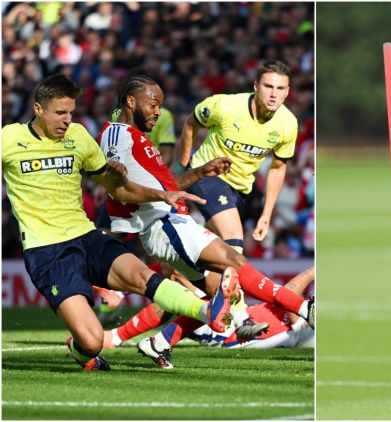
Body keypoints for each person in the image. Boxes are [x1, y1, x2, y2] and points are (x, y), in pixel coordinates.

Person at [1, 74, 239, 371]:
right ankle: (80, 351)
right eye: (60, 113)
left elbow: (119, 189)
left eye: (71, 113)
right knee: (92, 341)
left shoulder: (78, 136)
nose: (67, 120)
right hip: (48, 251)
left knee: (141, 275)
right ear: (38, 109)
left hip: (86, 236)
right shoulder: (9, 139)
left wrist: (157, 192)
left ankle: (208, 311)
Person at [96, 74, 314, 363]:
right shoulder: (117, 134)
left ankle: (160, 342)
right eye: (152, 105)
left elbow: (165, 186)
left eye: (160, 105)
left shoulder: (139, 138)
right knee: (233, 261)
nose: (158, 112)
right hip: (162, 226)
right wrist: (158, 194)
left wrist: (202, 172)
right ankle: (305, 310)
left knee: (219, 293)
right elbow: (118, 188)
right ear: (131, 101)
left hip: (170, 222)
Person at [178, 59, 299, 331]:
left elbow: (279, 167)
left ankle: (163, 338)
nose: (273, 93)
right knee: (234, 242)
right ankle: (242, 316)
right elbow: (191, 123)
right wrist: (185, 167)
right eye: (268, 86)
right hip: (208, 177)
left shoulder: (288, 124)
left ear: (288, 91)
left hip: (241, 190)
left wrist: (267, 214)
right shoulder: (225, 106)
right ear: (255, 86)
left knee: (210, 262)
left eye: (280, 88)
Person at [104, 267, 315, 356]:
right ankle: (119, 323)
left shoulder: (297, 326)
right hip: (232, 323)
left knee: (177, 275)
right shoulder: (295, 328)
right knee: (182, 275)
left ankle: (116, 329)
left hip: (224, 329)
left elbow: (291, 291)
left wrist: (314, 270)